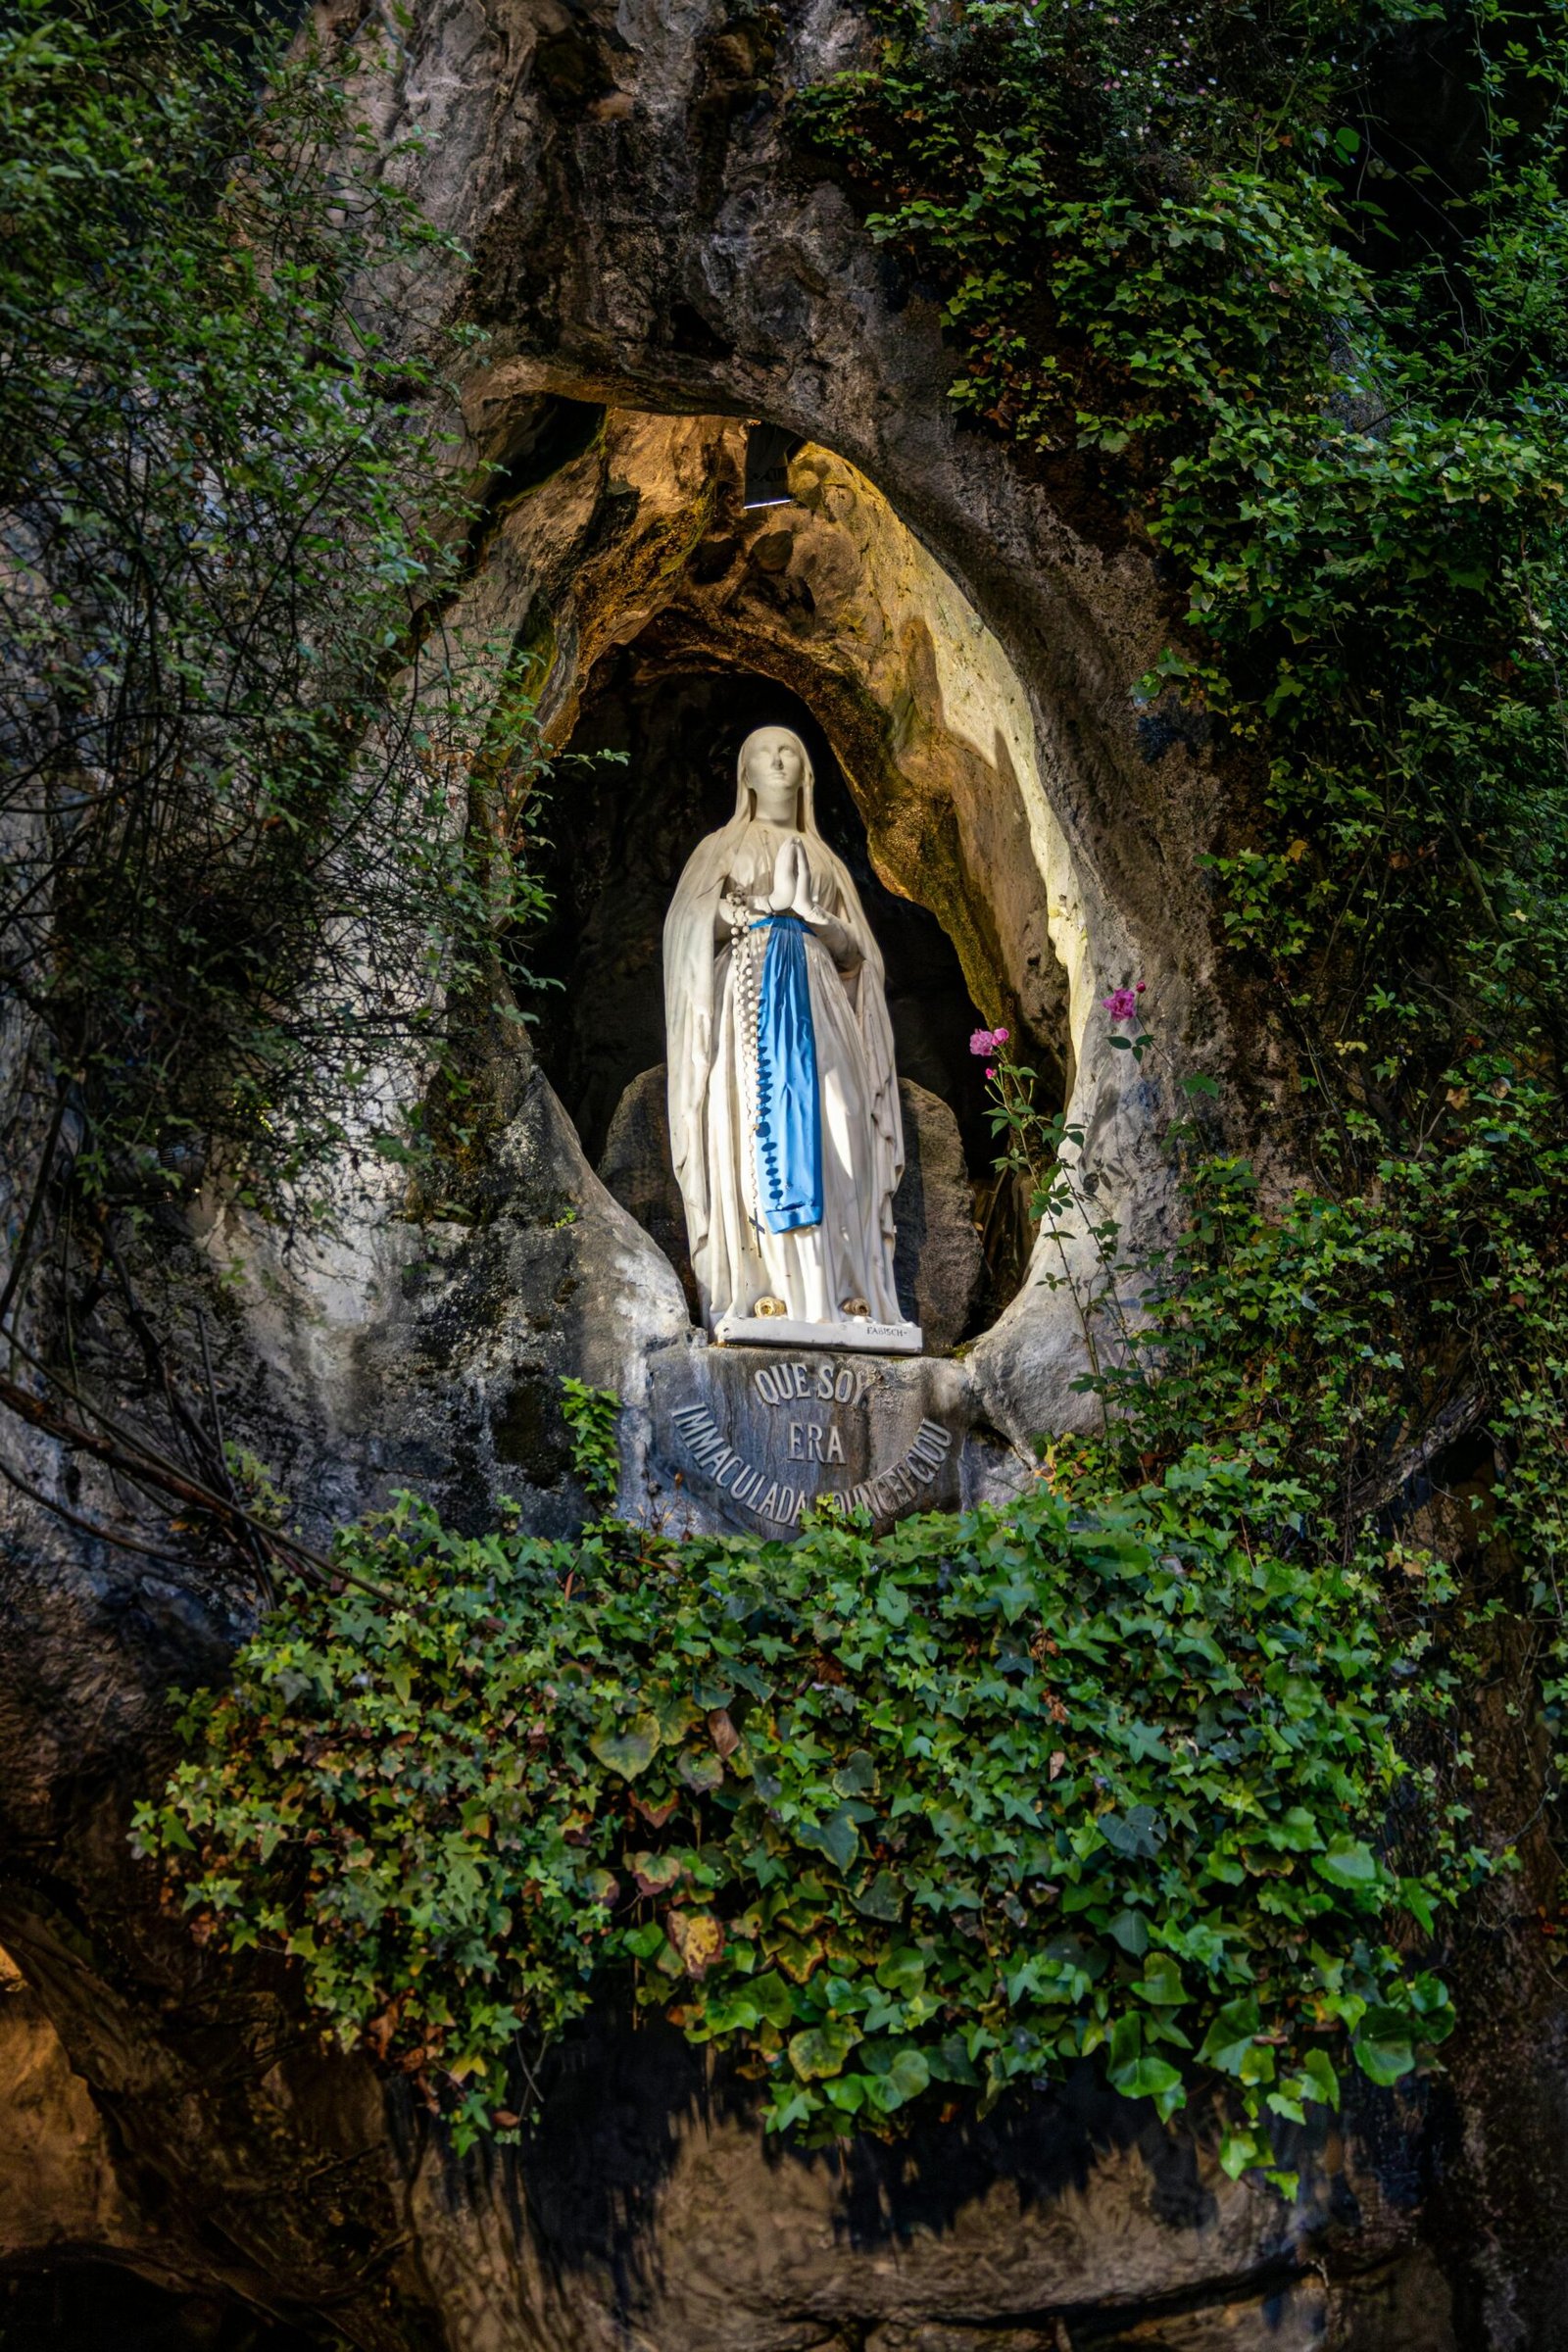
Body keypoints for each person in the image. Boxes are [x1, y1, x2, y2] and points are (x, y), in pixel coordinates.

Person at [663, 724, 912, 1341]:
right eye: (763, 756)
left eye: (790, 754)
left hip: (822, 1002)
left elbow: (861, 956)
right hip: (748, 1005)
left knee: (843, 1127)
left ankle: (851, 1295)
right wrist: (752, 910)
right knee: (755, 1135)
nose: (779, 763)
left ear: (806, 773)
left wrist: (814, 917)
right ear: (743, 775)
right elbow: (684, 929)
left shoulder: (826, 859)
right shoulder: (720, 848)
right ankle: (769, 1292)